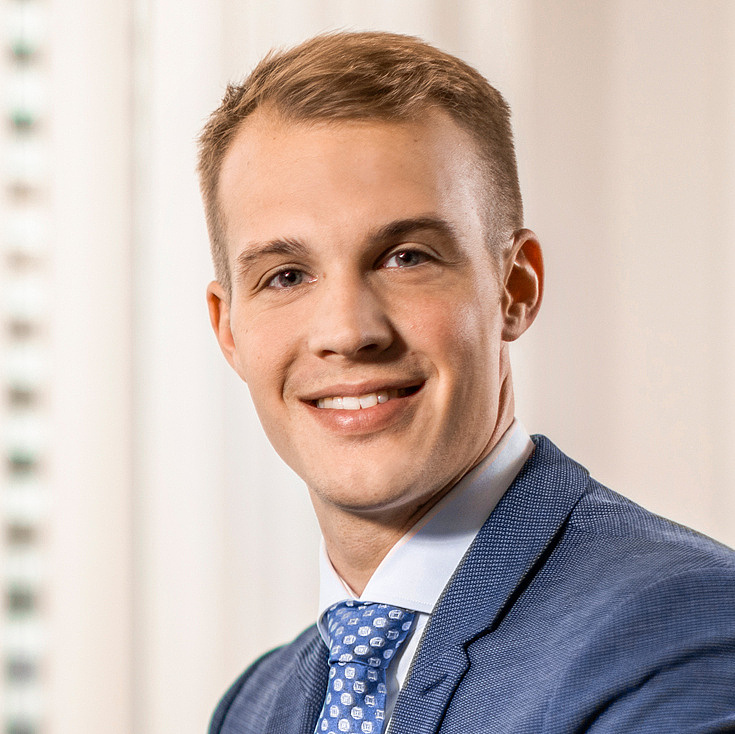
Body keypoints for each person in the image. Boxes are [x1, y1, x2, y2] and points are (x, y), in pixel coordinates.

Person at [198, 31, 735, 734]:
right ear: (229, 329)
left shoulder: (681, 633)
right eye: (286, 276)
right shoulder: (254, 707)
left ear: (514, 287)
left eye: (406, 257)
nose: (348, 331)